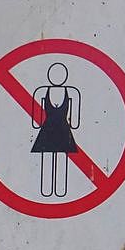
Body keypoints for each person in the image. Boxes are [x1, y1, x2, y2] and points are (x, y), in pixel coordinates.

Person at [31, 62, 81, 198]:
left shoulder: (71, 91)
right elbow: (75, 122)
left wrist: (37, 125)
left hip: (55, 130)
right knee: (48, 161)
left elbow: (75, 119)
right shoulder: (42, 91)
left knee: (61, 161)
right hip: (56, 130)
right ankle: (47, 191)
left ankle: (59, 191)